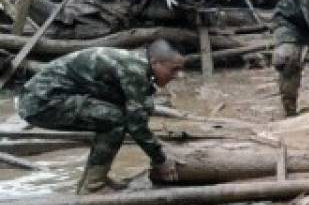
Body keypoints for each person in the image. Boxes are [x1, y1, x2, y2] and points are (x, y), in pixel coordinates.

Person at [18, 41, 184, 193]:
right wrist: (161, 160)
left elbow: (140, 109)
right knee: (114, 120)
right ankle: (93, 186)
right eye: (174, 69)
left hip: (49, 97)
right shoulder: (135, 69)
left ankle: (93, 180)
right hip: (41, 103)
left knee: (116, 116)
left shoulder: (138, 63)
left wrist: (158, 147)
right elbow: (136, 125)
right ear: (155, 62)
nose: (178, 75)